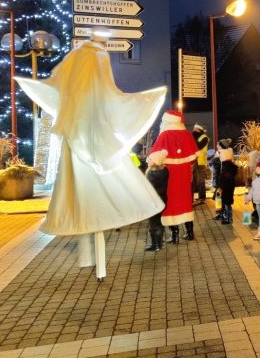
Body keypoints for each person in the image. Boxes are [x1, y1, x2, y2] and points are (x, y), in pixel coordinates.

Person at [15, 38, 167, 280]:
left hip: (75, 143)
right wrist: (149, 98)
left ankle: (88, 256)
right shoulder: (97, 63)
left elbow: (54, 91)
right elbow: (117, 102)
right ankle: (95, 259)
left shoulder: (73, 80)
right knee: (99, 192)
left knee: (81, 195)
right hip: (96, 140)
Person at [149, 110, 200, 243]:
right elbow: (193, 157)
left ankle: (174, 235)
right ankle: (189, 233)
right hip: (184, 175)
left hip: (169, 175)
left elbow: (155, 158)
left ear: (166, 121)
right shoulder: (187, 135)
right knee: (185, 201)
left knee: (170, 203)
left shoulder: (164, 135)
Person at [216, 138, 238, 225]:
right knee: (222, 200)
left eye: (218, 145)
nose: (217, 146)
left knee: (226, 201)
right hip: (225, 185)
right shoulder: (227, 164)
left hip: (225, 186)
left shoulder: (226, 166)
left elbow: (225, 177)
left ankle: (227, 218)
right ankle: (223, 215)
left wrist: (221, 186)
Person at [191, 123, 209, 203]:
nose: (193, 130)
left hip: (200, 161)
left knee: (200, 180)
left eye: (194, 129)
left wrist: (193, 137)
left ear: (198, 130)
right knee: (193, 180)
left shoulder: (204, 137)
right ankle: (193, 197)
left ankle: (202, 197)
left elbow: (197, 146)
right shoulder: (194, 136)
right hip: (193, 160)